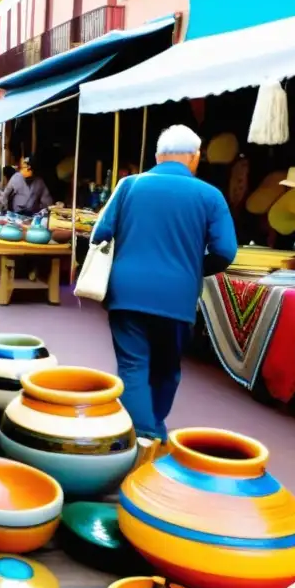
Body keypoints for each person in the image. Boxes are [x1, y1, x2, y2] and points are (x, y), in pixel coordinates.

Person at [90, 125, 237, 443]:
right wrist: (195, 268)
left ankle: (141, 436)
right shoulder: (210, 195)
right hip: (177, 298)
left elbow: (99, 234)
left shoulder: (129, 185)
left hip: (126, 292)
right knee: (167, 368)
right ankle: (151, 429)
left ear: (157, 156)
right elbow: (226, 251)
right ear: (195, 158)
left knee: (133, 366)